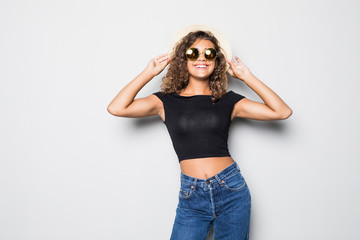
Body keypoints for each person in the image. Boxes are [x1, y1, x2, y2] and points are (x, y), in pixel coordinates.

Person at [107, 25, 292, 240]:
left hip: (232, 189)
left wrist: (247, 77)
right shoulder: (164, 101)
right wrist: (149, 73)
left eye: (209, 54)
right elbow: (116, 108)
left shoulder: (229, 100)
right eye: (193, 53)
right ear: (183, 59)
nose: (201, 59)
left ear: (216, 61)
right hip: (191, 194)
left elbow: (282, 111)